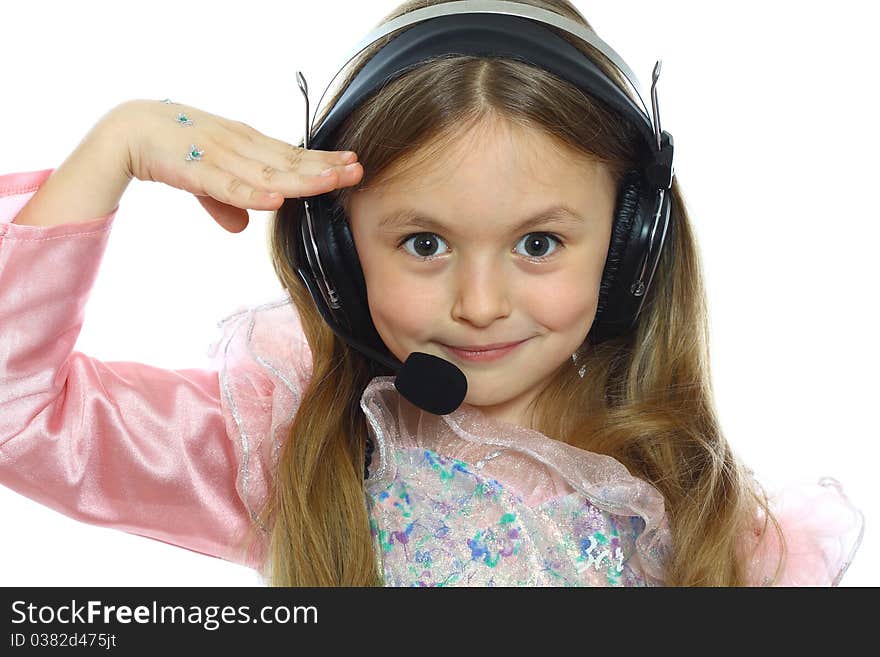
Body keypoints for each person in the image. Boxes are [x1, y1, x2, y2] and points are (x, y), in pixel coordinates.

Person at [0, 0, 865, 587]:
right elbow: (16, 414)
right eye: (424, 243)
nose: (480, 302)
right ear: (338, 252)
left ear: (631, 239)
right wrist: (115, 144)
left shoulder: (716, 527)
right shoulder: (298, 449)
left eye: (538, 243)